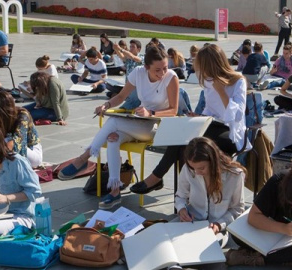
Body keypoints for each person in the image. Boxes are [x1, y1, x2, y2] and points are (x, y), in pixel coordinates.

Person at [58, 46, 179, 210]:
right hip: (138, 124)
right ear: (146, 67)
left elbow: (174, 110)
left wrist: (150, 112)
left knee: (114, 122)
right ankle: (115, 191)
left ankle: (84, 157)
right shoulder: (138, 73)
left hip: (157, 126)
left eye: (165, 67)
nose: (162, 72)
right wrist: (106, 105)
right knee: (112, 138)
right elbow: (121, 96)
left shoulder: (171, 77)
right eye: (158, 69)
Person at [131, 44, 247, 195]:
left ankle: (159, 178)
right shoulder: (208, 80)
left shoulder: (238, 81)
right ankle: (183, 192)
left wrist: (221, 92)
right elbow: (210, 110)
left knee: (185, 139)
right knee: (182, 141)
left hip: (230, 131)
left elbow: (235, 116)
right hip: (211, 125)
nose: (201, 72)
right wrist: (199, 116)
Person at [174, 137, 245, 261]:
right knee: (164, 242)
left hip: (217, 230)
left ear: (213, 161)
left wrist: (219, 224)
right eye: (193, 168)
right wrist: (181, 210)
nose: (197, 172)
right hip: (190, 222)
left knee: (204, 250)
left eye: (201, 168)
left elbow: (237, 208)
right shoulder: (188, 168)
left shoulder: (234, 175)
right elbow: (180, 196)